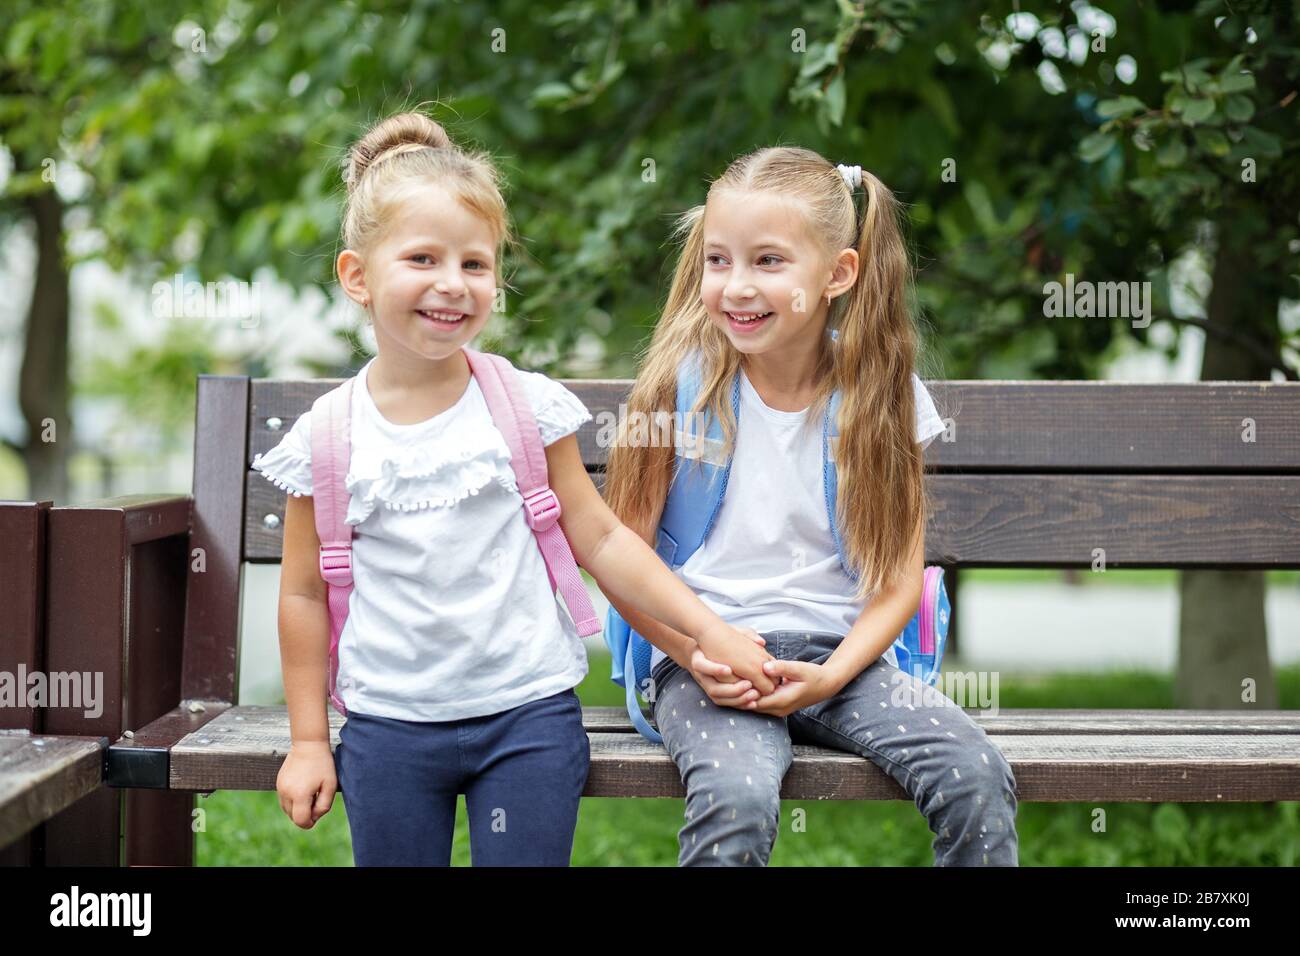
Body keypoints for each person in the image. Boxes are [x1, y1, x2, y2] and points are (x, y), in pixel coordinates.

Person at [255, 110, 774, 866]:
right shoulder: (330, 438)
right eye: (423, 259)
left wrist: (710, 634)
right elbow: (302, 593)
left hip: (526, 717)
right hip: (388, 725)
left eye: (475, 264)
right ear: (357, 277)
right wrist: (307, 741)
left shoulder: (524, 407)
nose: (451, 285)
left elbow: (600, 537)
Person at [602, 146, 1019, 866]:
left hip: (844, 663)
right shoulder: (674, 393)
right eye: (718, 260)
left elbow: (896, 583)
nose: (736, 286)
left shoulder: (881, 401)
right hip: (707, 662)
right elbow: (622, 560)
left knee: (976, 776)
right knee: (736, 797)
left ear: (838, 274)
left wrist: (832, 675)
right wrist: (694, 652)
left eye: (768, 262)